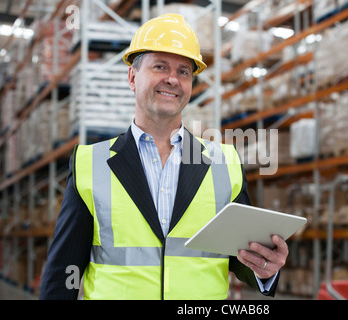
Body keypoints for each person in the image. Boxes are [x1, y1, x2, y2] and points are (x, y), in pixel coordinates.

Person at [39, 13, 288, 300]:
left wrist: (265, 269)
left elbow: (243, 258)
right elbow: (65, 269)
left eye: (184, 71)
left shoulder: (224, 163)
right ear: (132, 77)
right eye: (160, 66)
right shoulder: (90, 163)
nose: (172, 79)